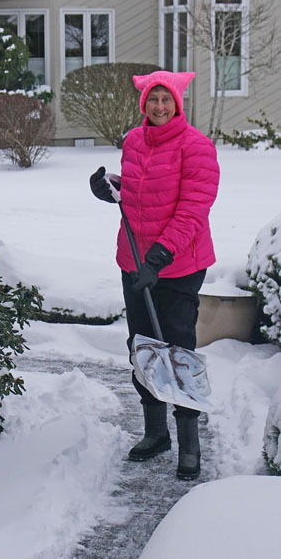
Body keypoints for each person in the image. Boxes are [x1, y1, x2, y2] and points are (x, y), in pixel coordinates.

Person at [89, 70, 220, 480]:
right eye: (153, 99)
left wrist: (159, 257)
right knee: (143, 345)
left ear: (177, 104)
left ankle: (189, 444)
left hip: (178, 264)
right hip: (134, 262)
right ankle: (156, 433)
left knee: (179, 352)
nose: (159, 107)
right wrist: (111, 187)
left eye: (166, 100)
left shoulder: (196, 147)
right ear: (144, 103)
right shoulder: (133, 140)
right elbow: (141, 190)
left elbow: (192, 209)